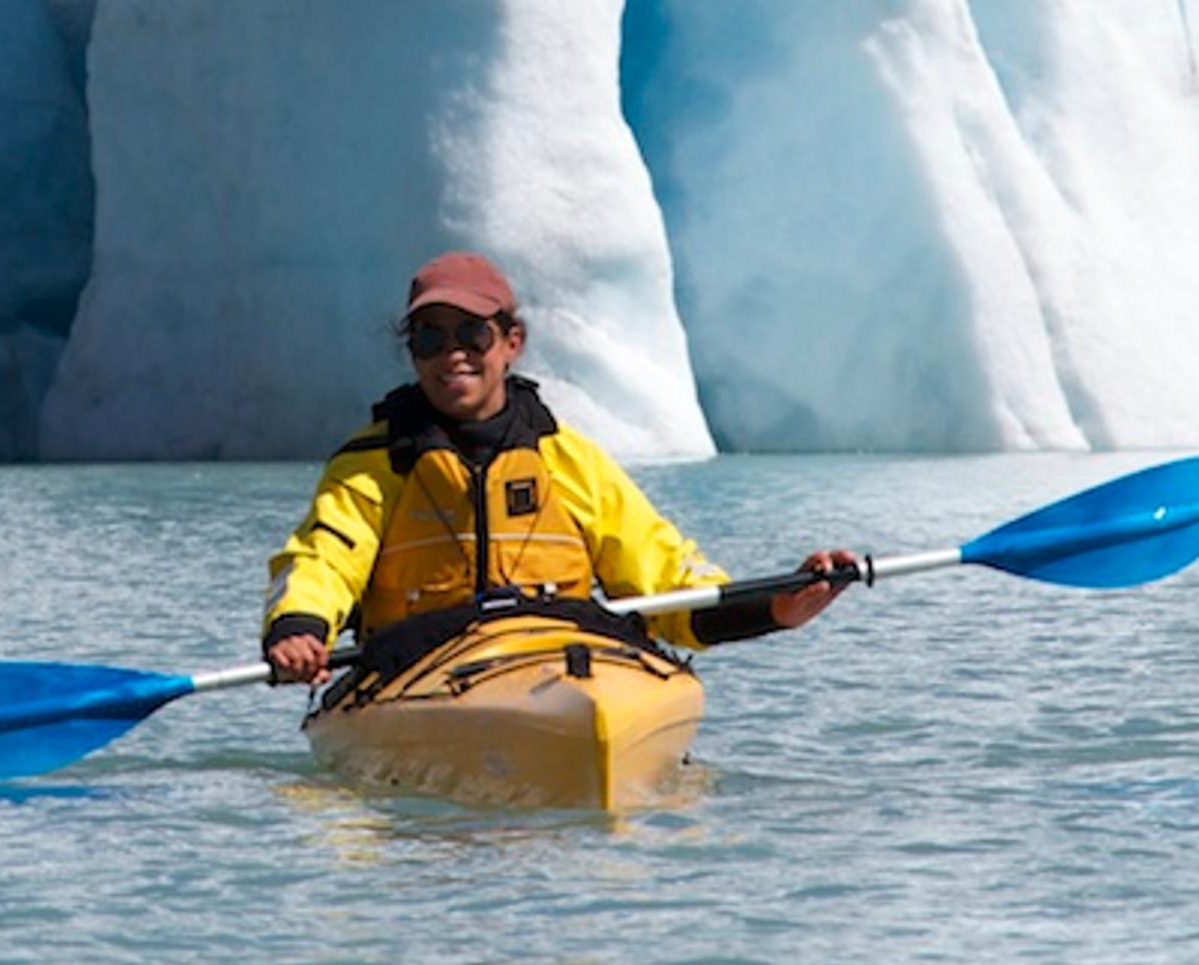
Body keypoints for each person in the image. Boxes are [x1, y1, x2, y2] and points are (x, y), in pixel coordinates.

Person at [260, 251, 854, 688]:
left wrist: (776, 607)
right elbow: (323, 558)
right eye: (429, 338)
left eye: (472, 333)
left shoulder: (568, 460)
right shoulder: (372, 465)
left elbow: (662, 576)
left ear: (511, 341)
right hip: (419, 676)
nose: (453, 353)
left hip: (566, 671)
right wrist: (299, 625)